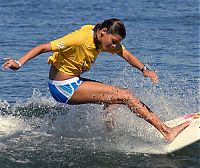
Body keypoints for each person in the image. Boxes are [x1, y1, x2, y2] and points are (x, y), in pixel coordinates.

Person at [2, 18, 190, 142]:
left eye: (116, 42)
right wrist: (19, 62)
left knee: (118, 96)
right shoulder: (80, 38)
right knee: (125, 96)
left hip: (73, 81)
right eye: (113, 41)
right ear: (104, 31)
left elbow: (125, 53)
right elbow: (44, 47)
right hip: (63, 87)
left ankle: (109, 133)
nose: (114, 46)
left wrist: (144, 69)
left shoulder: (101, 39)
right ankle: (167, 132)